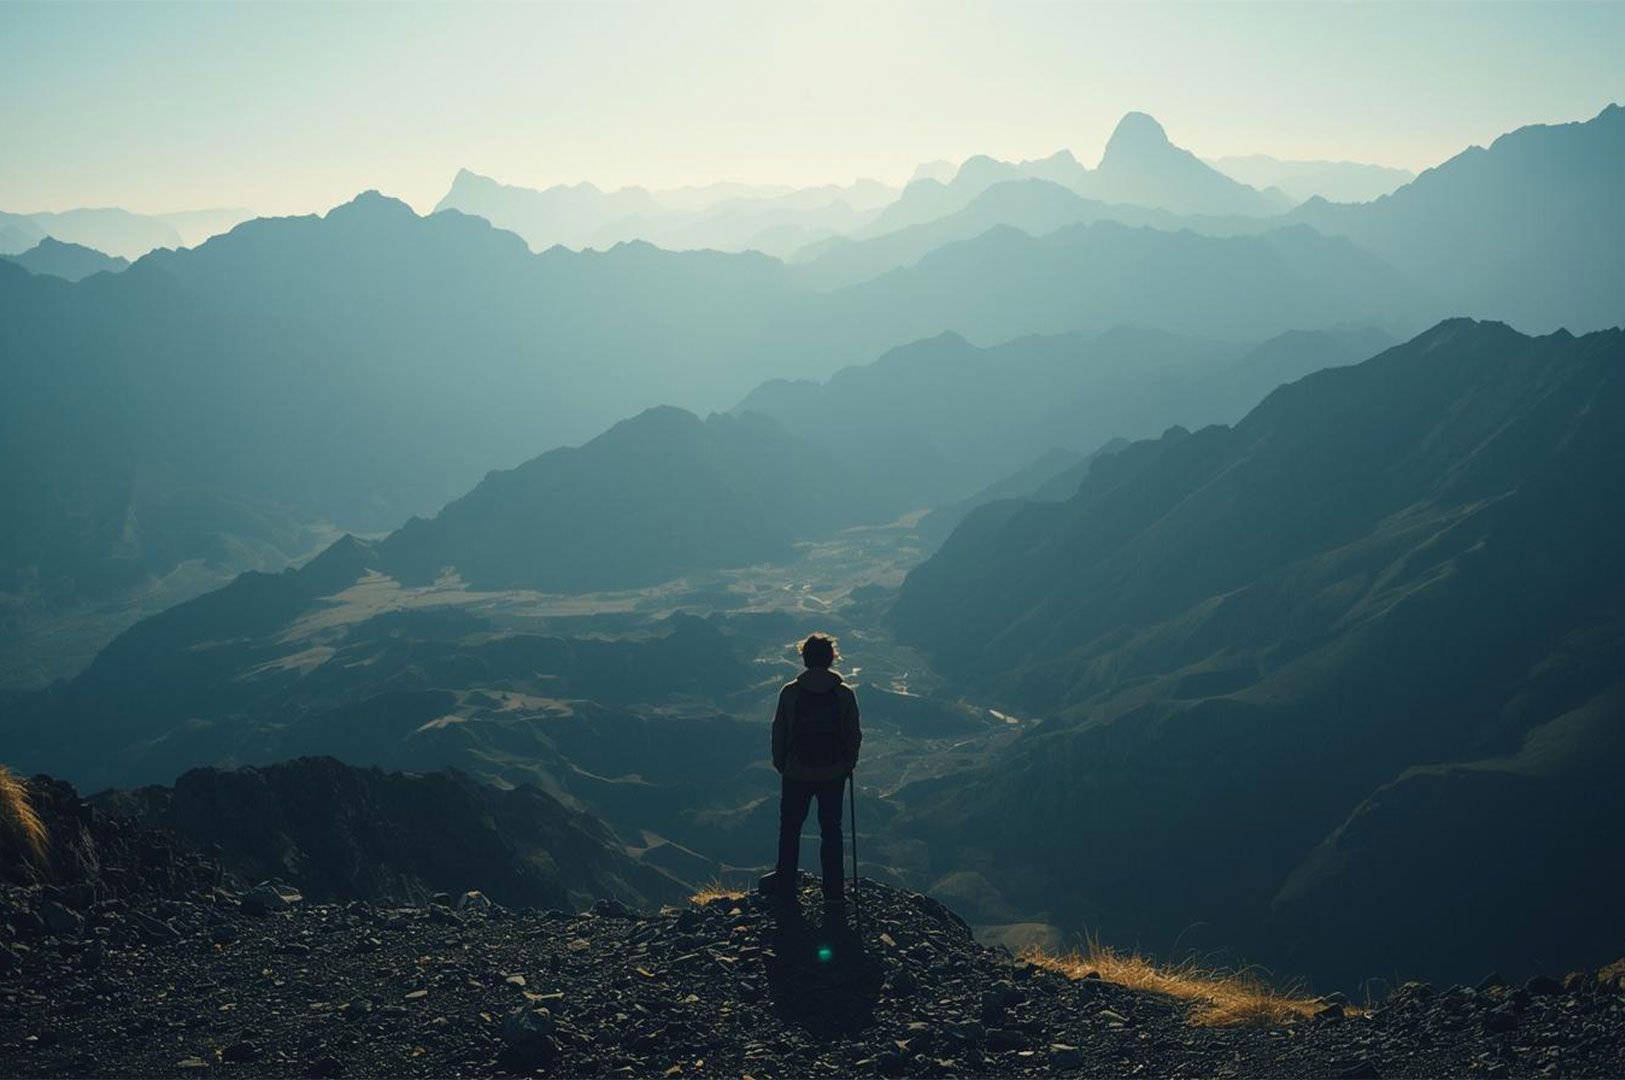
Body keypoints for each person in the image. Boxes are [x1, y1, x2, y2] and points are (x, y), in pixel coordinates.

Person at [770, 632, 862, 906]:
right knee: (831, 830)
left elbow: (779, 731)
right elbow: (853, 735)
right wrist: (848, 763)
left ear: (805, 657)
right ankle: (833, 893)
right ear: (831, 659)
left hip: (796, 772)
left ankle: (785, 889)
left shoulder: (790, 692)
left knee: (790, 830)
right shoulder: (844, 693)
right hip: (833, 773)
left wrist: (781, 763)